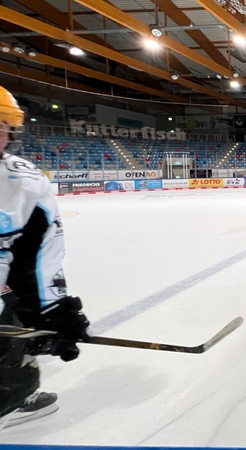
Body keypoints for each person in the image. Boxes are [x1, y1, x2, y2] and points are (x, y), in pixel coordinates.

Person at [0, 85, 91, 429]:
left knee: (12, 320)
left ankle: (10, 395)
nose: (3, 138)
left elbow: (35, 252)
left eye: (3, 128)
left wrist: (50, 309)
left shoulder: (21, 183)